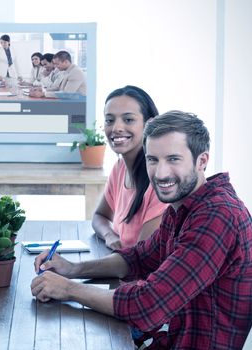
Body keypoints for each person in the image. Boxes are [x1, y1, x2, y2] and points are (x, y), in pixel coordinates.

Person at [31, 111, 252, 349]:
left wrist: (68, 289)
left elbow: (149, 304)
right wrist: (73, 269)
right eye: (153, 159)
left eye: (173, 159)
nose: (160, 173)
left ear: (202, 161)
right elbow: (138, 257)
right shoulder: (182, 207)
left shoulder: (217, 216)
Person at [93, 86, 168, 249]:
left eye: (128, 120)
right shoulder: (120, 168)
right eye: (109, 120)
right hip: (122, 268)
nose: (116, 128)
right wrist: (109, 235)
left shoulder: (160, 179)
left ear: (149, 124)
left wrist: (72, 269)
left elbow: (141, 257)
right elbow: (99, 216)